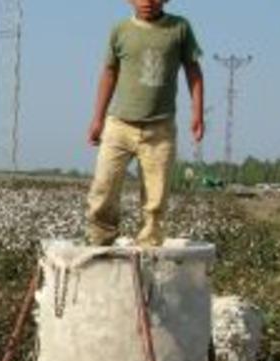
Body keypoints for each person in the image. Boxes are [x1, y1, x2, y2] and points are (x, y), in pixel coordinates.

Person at [86, 0, 204, 247]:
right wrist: (97, 119)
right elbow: (109, 73)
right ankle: (100, 240)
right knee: (103, 188)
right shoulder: (120, 30)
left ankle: (148, 249)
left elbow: (193, 70)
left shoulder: (179, 28)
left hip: (160, 129)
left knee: (155, 199)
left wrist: (197, 113)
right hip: (119, 125)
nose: (148, 2)